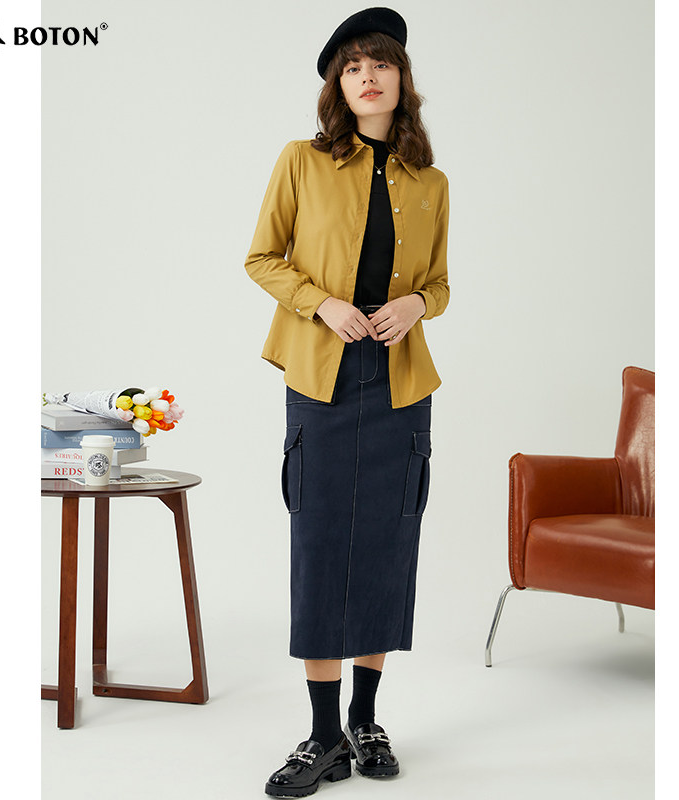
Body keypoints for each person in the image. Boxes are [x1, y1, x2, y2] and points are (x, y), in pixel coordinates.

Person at [245, 7, 450, 797]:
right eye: (353, 66)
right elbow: (262, 257)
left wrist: (417, 305)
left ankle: (365, 720)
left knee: (388, 550)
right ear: (339, 84)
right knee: (322, 546)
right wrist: (321, 303)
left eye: (381, 63)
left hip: (401, 384)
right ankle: (324, 735)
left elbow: (439, 281)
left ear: (402, 80)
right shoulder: (301, 161)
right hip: (321, 379)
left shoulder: (431, 182)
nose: (367, 77)